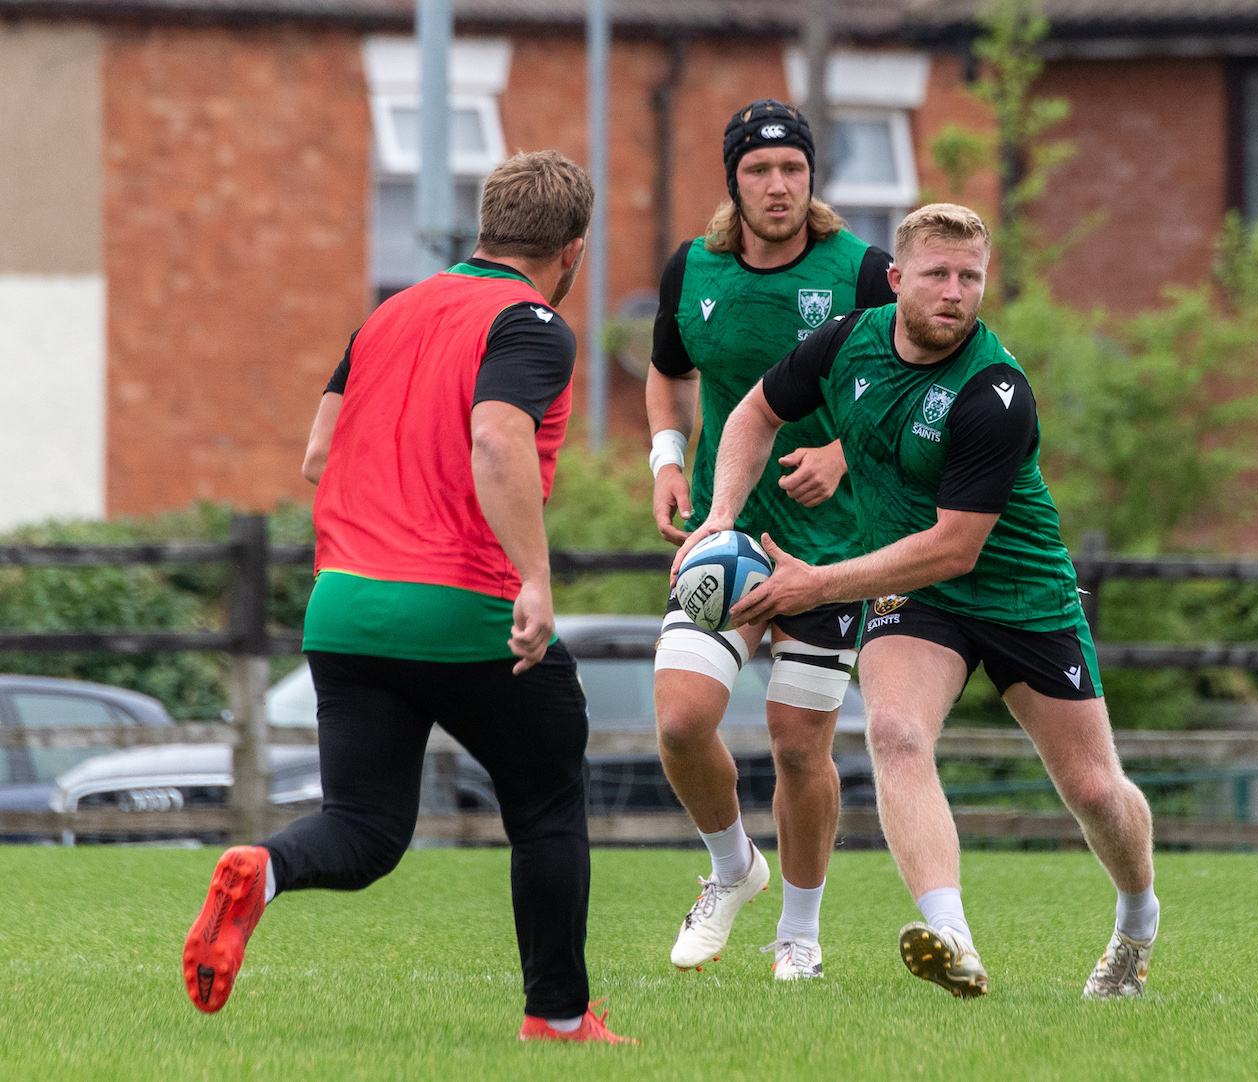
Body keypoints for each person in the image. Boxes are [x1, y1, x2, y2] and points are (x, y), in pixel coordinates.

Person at [180, 150, 633, 1043]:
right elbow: (496, 440)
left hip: (345, 606)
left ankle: (263, 868)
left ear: (485, 225)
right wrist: (536, 579)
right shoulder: (531, 322)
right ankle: (557, 1018)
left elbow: (318, 455)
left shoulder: (388, 314)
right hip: (462, 603)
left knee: (364, 829)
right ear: (573, 249)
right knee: (546, 803)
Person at [674, 203, 1159, 1000]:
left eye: (971, 276)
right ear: (897, 279)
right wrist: (720, 514)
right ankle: (953, 939)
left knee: (1095, 790)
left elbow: (954, 547)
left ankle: (1137, 921)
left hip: (1020, 592)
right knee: (895, 733)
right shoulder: (846, 342)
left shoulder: (995, 391)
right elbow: (754, 411)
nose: (955, 292)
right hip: (916, 595)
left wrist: (816, 583)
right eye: (937, 274)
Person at [646, 99, 897, 980]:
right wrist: (667, 459)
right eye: (759, 169)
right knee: (681, 723)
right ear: (734, 182)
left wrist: (841, 452)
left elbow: (908, 385)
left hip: (831, 551)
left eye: (793, 168)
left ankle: (799, 933)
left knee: (798, 745)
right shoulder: (692, 270)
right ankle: (731, 869)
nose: (778, 184)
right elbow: (667, 369)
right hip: (726, 537)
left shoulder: (863, 272)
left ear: (812, 178)